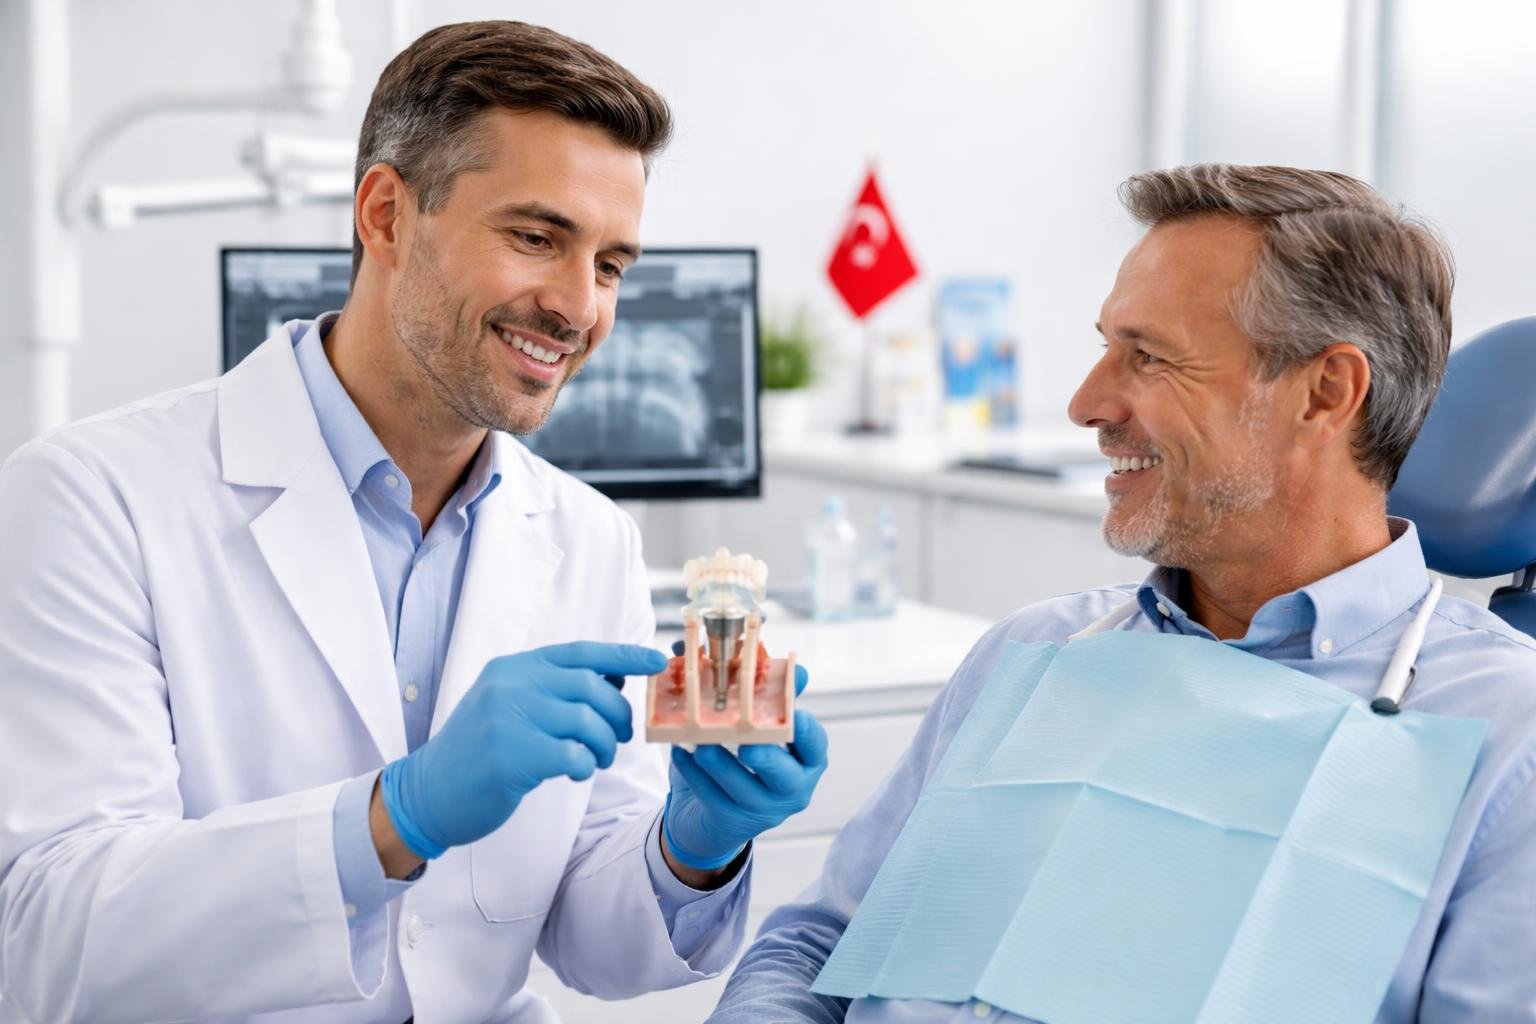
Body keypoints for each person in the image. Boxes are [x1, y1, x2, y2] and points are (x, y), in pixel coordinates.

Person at [0, 20, 827, 1024]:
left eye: (610, 265)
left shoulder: (587, 535)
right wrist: (396, 816)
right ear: (387, 216)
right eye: (536, 236)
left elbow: (590, 938)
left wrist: (689, 850)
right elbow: (46, 936)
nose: (578, 307)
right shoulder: (91, 499)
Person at [710, 165, 1536, 1023]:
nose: (1086, 403)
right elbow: (813, 946)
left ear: (1325, 392)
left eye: (1148, 357)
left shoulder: (1507, 736)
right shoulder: (1036, 651)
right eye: (1105, 346)